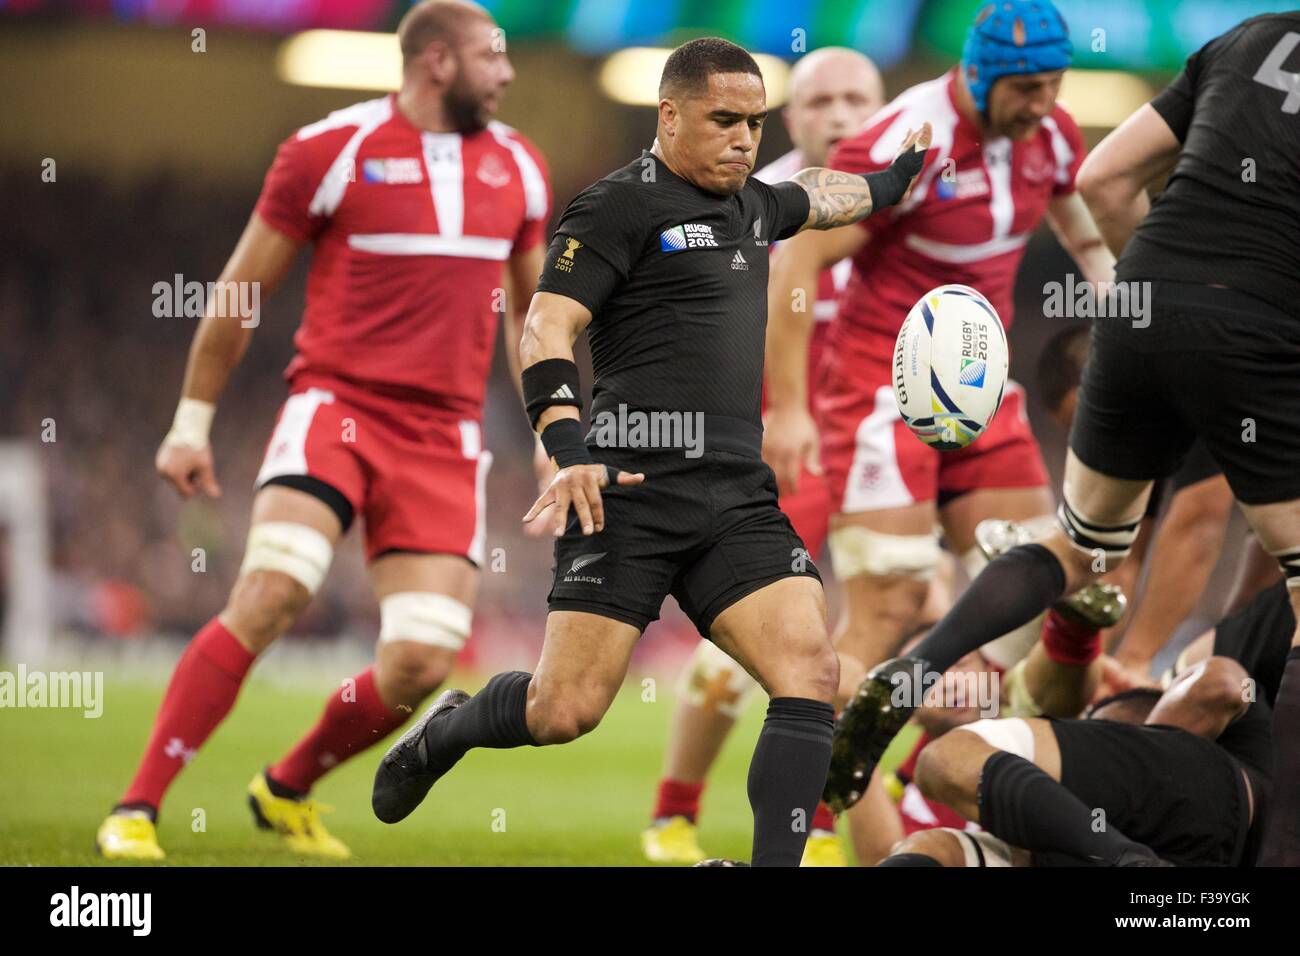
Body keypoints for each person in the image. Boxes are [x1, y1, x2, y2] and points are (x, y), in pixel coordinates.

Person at [371, 37, 932, 867]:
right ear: (668, 116)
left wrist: (894, 183)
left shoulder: (750, 204)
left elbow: (819, 196)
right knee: (563, 711)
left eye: (755, 123)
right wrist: (566, 447)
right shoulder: (615, 209)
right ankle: (448, 730)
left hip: (736, 497)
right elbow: (545, 327)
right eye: (725, 121)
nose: (745, 139)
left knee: (810, 672)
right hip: (625, 491)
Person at [831, 10, 1300, 866]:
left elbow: (1108, 178)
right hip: (1255, 328)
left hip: (1139, 299)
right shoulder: (924, 133)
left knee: (1079, 544)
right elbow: (1200, 532)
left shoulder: (1245, 36)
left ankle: (915, 671)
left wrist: (1154, 298)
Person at [95, 0, 551, 861]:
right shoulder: (329, 149)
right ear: (438, 63)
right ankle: (137, 808)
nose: (510, 72)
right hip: (337, 408)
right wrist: (190, 424)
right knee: (275, 589)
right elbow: (239, 288)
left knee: (421, 663)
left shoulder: (522, 169)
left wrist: (551, 431)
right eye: (494, 56)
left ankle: (287, 787)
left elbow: (535, 318)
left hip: (444, 437)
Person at [762, 0, 1116, 788]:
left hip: (982, 392)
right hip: (880, 393)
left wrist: (1120, 296)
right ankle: (804, 819)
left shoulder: (1050, 133)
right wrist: (788, 408)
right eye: (1027, 89)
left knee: (1042, 581)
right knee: (887, 610)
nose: (1043, 104)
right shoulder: (905, 141)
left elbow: (1085, 225)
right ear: (981, 76)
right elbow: (796, 263)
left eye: (1054, 85)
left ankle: (961, 775)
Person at [641, 45, 886, 868]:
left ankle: (820, 819)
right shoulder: (749, 202)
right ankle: (674, 813)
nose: (843, 115)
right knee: (750, 654)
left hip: (878, 436)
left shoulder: (897, 201)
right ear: (791, 119)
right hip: (780, 446)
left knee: (877, 635)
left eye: (860, 98)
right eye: (823, 102)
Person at [882, 578, 1293, 866]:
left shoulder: (1025, 702)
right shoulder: (907, 800)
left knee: (943, 764)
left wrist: (1146, 733)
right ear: (909, 709)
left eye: (963, 664)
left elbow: (1223, 684)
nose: (951, 682)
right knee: (931, 837)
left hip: (1173, 815)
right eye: (930, 680)